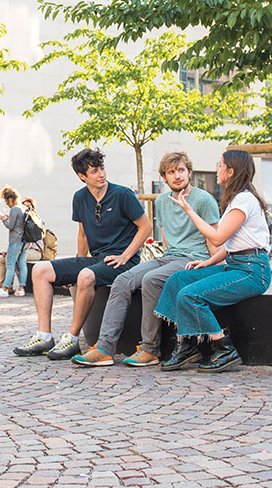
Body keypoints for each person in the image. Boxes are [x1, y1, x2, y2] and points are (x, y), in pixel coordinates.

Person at [71, 151, 220, 367]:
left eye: (181, 170)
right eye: (171, 172)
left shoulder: (204, 200)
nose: (177, 176)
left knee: (151, 279)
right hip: (169, 257)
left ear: (189, 172)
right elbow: (168, 240)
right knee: (122, 280)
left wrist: (214, 266)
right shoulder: (161, 201)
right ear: (164, 177)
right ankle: (104, 348)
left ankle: (150, 349)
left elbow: (213, 239)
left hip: (193, 258)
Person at [13, 147, 151, 360]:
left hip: (123, 261)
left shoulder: (123, 194)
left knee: (86, 275)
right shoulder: (79, 198)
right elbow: (83, 233)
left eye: (102, 168)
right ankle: (44, 336)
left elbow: (146, 227)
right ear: (82, 176)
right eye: (94, 171)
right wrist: (79, 261)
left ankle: (72, 338)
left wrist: (125, 255)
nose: (101, 174)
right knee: (40, 270)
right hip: (96, 259)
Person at [153, 149, 272, 373]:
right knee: (178, 280)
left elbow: (217, 237)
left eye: (220, 165)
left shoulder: (244, 200)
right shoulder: (236, 199)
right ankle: (187, 345)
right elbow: (230, 246)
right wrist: (208, 263)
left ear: (231, 171)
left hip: (253, 271)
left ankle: (224, 348)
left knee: (190, 295)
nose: (216, 169)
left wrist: (189, 209)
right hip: (237, 264)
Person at [0, 188, 31, 297]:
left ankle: (4, 289)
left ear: (11, 199)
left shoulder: (14, 209)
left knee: (10, 264)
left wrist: (3, 219)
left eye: (6, 201)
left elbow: (10, 226)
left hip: (16, 240)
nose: (7, 204)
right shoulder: (23, 208)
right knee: (22, 264)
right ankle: (21, 288)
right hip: (25, 241)